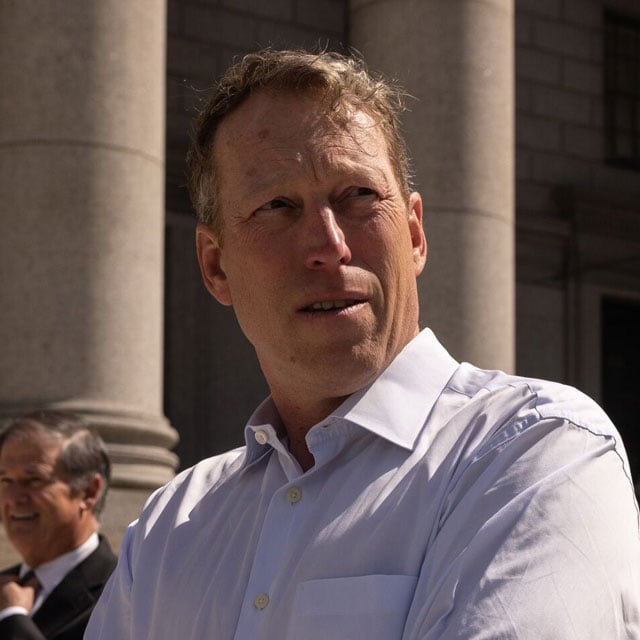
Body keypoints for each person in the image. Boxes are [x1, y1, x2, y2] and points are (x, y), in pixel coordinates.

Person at [86, 49, 640, 639]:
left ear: (415, 233)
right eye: (278, 205)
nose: (329, 244)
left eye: (358, 197)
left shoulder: (534, 450)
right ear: (215, 266)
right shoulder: (171, 527)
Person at [0, 411, 116, 640]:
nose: (13, 498)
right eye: (5, 480)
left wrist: (12, 619)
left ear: (88, 492)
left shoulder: (123, 591)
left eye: (34, 480)